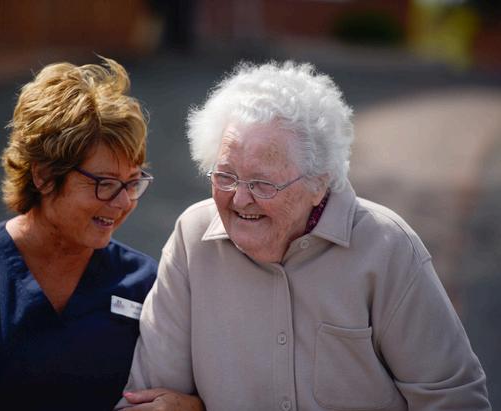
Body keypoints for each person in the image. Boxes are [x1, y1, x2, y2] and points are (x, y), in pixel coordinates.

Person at [117, 61, 491, 410]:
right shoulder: (193, 238)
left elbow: (454, 398)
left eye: (263, 183)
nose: (240, 199)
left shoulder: (386, 247)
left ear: (319, 183)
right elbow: (151, 393)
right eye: (226, 176)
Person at [0, 58, 199, 411]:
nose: (124, 201)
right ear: (45, 176)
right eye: (105, 183)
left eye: (133, 182)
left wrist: (190, 407)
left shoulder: (146, 283)